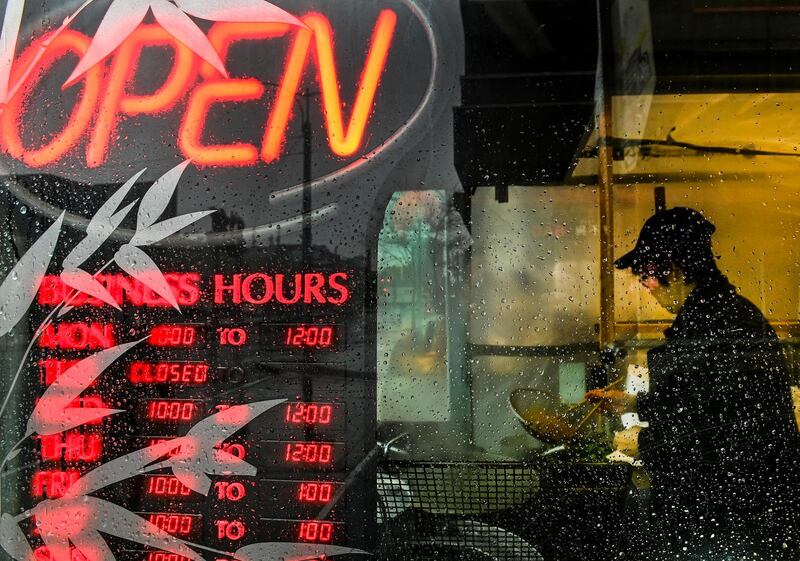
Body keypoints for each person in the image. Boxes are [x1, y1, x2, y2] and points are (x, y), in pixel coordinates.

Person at [586, 207, 799, 560]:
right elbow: (702, 401)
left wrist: (637, 444)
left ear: (674, 270)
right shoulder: (721, 314)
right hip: (735, 512)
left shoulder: (715, 326)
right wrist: (634, 403)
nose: (645, 286)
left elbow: (711, 436)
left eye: (646, 275)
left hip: (733, 518)